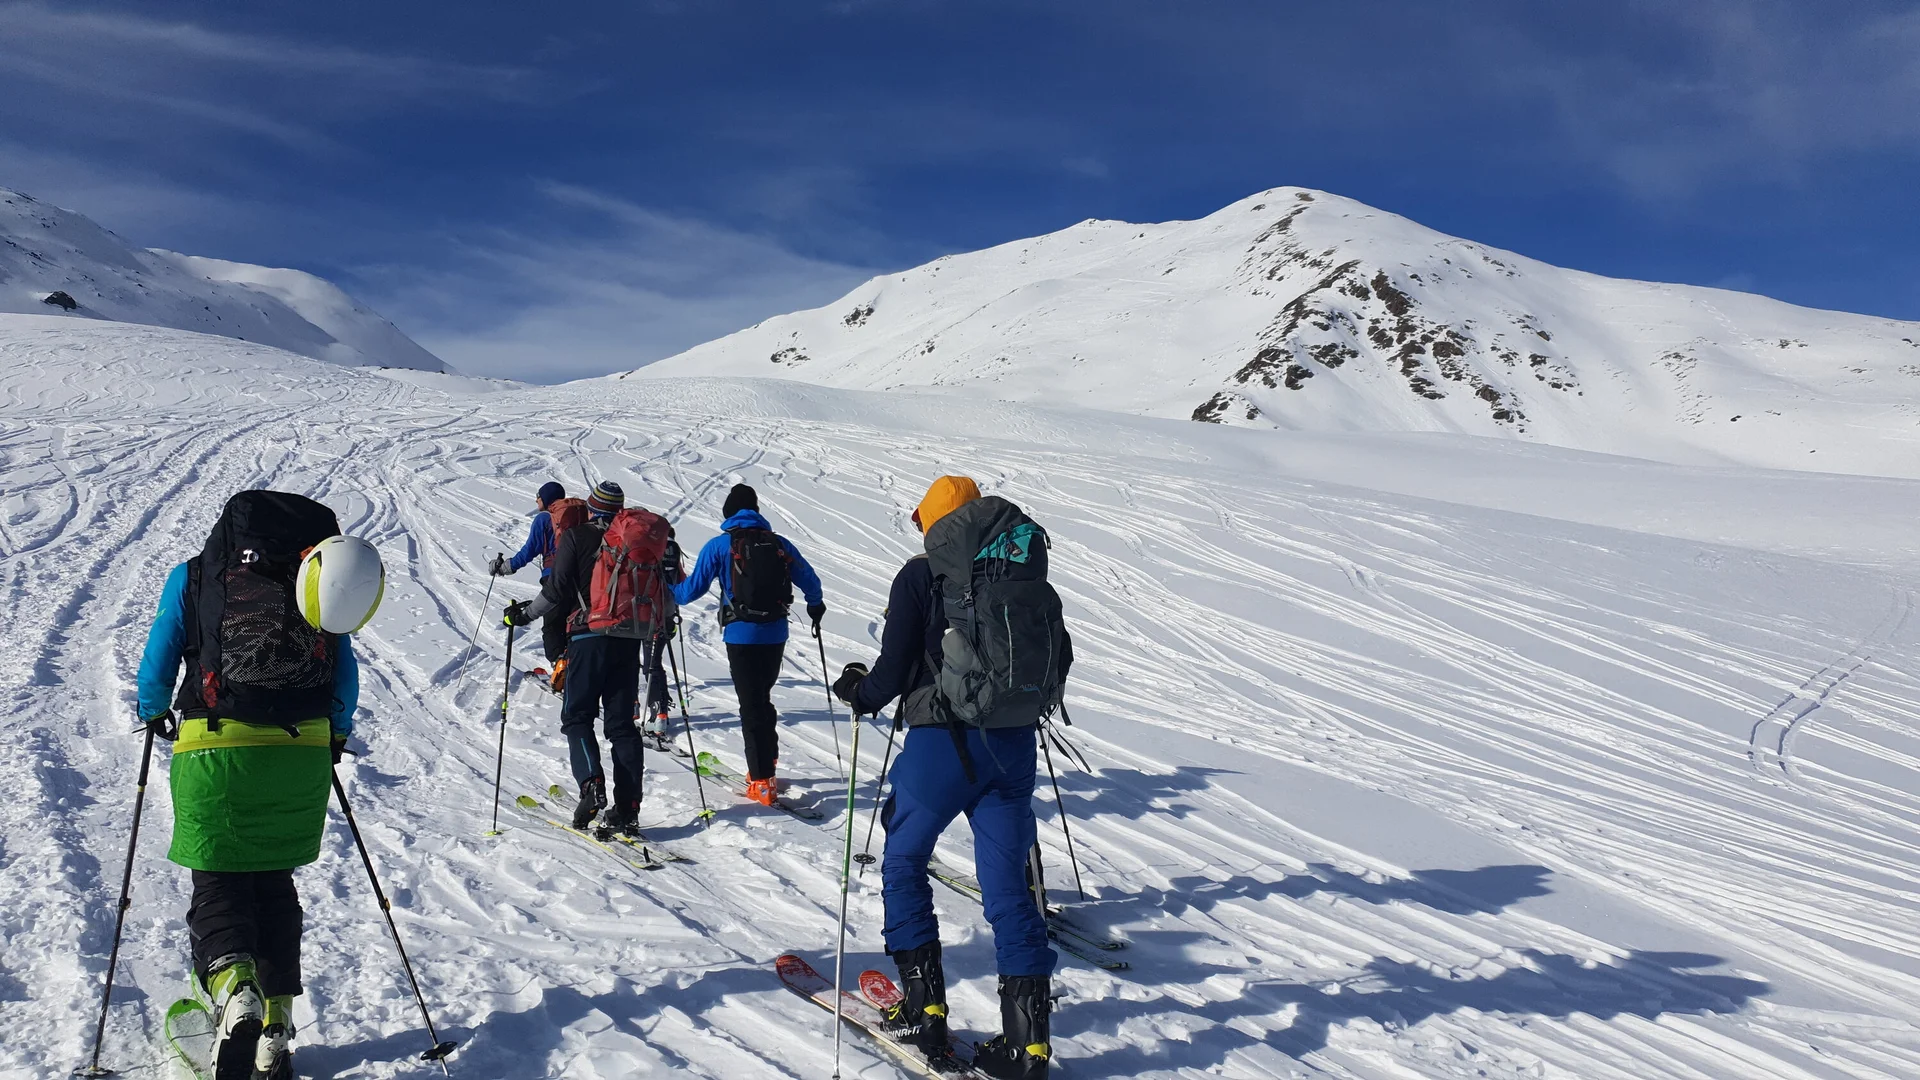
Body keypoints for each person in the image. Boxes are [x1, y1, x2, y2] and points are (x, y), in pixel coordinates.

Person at [832, 476, 1061, 1078]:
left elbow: (894, 666)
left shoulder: (920, 575)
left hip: (941, 743)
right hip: (1012, 745)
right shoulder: (1018, 578)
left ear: (937, 522)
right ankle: (1028, 1047)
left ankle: (924, 1006)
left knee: (904, 862)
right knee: (1010, 891)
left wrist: (862, 693)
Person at [136, 490, 363, 1080]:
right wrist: (333, 735)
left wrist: (152, 706)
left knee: (219, 881)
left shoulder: (195, 576)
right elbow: (345, 671)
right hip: (301, 753)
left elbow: (162, 649)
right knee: (274, 883)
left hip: (216, 749)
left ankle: (236, 986)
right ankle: (278, 1021)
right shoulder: (315, 580)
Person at [506, 481, 648, 834]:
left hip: (588, 637)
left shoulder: (576, 537)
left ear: (590, 507)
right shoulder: (634, 543)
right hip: (629, 640)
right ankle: (628, 805)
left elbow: (556, 590)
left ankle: (591, 786)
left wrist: (524, 616)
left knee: (577, 715)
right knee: (622, 725)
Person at [671, 483, 825, 806]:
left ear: (730, 513)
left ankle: (761, 781)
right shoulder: (779, 544)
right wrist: (815, 605)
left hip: (741, 636)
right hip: (776, 635)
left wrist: (667, 588)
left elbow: (688, 593)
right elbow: (810, 580)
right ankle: (767, 763)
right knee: (761, 698)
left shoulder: (719, 546)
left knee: (751, 705)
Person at [490, 481, 574, 687]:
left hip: (554, 579)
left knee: (552, 626)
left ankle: (561, 668)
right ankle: (576, 667)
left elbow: (529, 551)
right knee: (573, 624)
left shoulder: (544, 519)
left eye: (538, 497)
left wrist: (505, 567)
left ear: (546, 498)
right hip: (582, 579)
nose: (536, 500)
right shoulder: (575, 518)